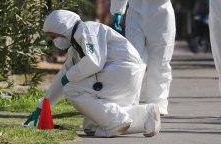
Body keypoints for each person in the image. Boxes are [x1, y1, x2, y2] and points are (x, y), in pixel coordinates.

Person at [26, 10, 161, 138]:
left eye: (54, 36)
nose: (54, 41)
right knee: (91, 125)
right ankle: (146, 116)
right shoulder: (75, 47)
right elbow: (63, 76)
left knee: (71, 89)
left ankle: (116, 121)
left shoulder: (86, 30)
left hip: (120, 70)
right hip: (124, 74)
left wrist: (69, 77)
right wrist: (43, 105)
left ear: (62, 28)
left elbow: (94, 62)